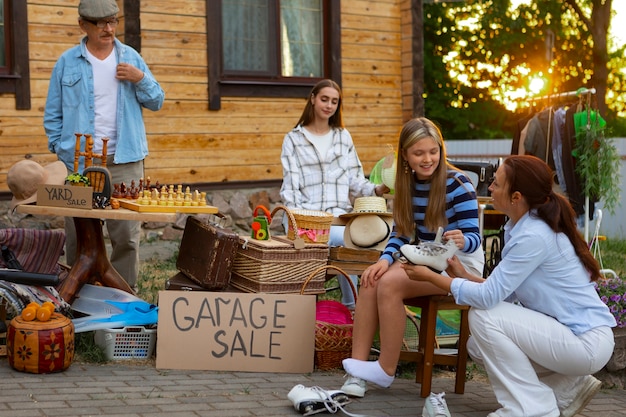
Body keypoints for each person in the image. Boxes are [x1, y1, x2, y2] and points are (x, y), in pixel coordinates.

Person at [403, 155, 616, 417]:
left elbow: (488, 299)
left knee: (482, 316)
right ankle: (566, 387)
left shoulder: (534, 235)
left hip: (585, 342)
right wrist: (461, 274)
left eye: (496, 183)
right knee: (477, 346)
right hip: (569, 337)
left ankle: (532, 408)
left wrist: (431, 276)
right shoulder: (520, 227)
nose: (489, 187)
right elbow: (501, 291)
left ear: (516, 197)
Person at [341, 117, 485, 397]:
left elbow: (474, 238)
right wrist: (383, 259)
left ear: (441, 150)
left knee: (391, 282)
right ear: (405, 155)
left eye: (433, 151)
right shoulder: (405, 184)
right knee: (373, 278)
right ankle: (357, 372)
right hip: (427, 256)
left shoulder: (459, 184)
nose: (428, 159)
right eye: (419, 153)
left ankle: (384, 369)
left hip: (459, 264)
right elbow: (401, 234)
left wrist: (463, 239)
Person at [43, 0, 165, 288]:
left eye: (113, 22)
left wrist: (141, 79)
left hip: (124, 160)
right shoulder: (67, 62)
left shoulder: (131, 58)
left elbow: (157, 100)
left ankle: (124, 298)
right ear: (83, 25)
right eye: (101, 24)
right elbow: (53, 113)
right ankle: (79, 297)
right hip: (79, 164)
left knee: (125, 236)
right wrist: (61, 150)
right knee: (79, 233)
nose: (109, 29)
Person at [280, 79, 389, 310]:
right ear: (313, 99)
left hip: (339, 219)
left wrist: (377, 190)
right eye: (324, 99)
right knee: (345, 240)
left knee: (351, 240)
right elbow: (291, 188)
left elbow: (354, 179)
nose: (329, 105)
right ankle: (313, 311)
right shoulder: (293, 139)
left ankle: (353, 310)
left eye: (334, 102)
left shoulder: (343, 136)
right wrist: (301, 225)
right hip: (307, 221)